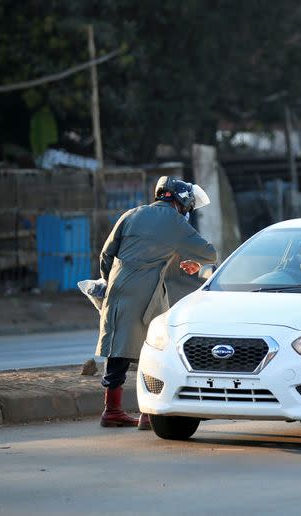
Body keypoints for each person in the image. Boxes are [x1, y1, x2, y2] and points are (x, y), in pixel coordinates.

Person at [97, 176, 217, 429]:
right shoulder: (174, 221)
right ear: (182, 202)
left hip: (118, 287)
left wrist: (109, 281)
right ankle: (148, 414)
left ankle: (112, 410)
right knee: (151, 351)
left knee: (117, 348)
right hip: (147, 293)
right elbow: (210, 253)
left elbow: (107, 253)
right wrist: (197, 262)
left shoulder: (131, 214)